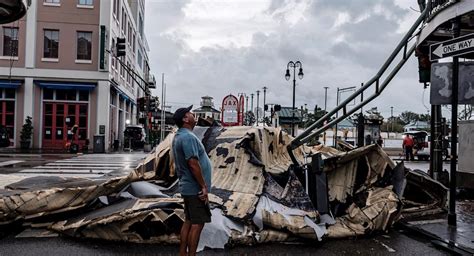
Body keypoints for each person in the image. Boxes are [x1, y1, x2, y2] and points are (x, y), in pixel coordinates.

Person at [172, 105, 212, 256]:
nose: (193, 114)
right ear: (185, 119)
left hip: (188, 187)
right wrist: (203, 186)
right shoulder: (188, 137)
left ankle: (183, 253)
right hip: (194, 188)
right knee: (197, 224)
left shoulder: (180, 136)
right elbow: (193, 163)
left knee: (189, 221)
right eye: (190, 112)